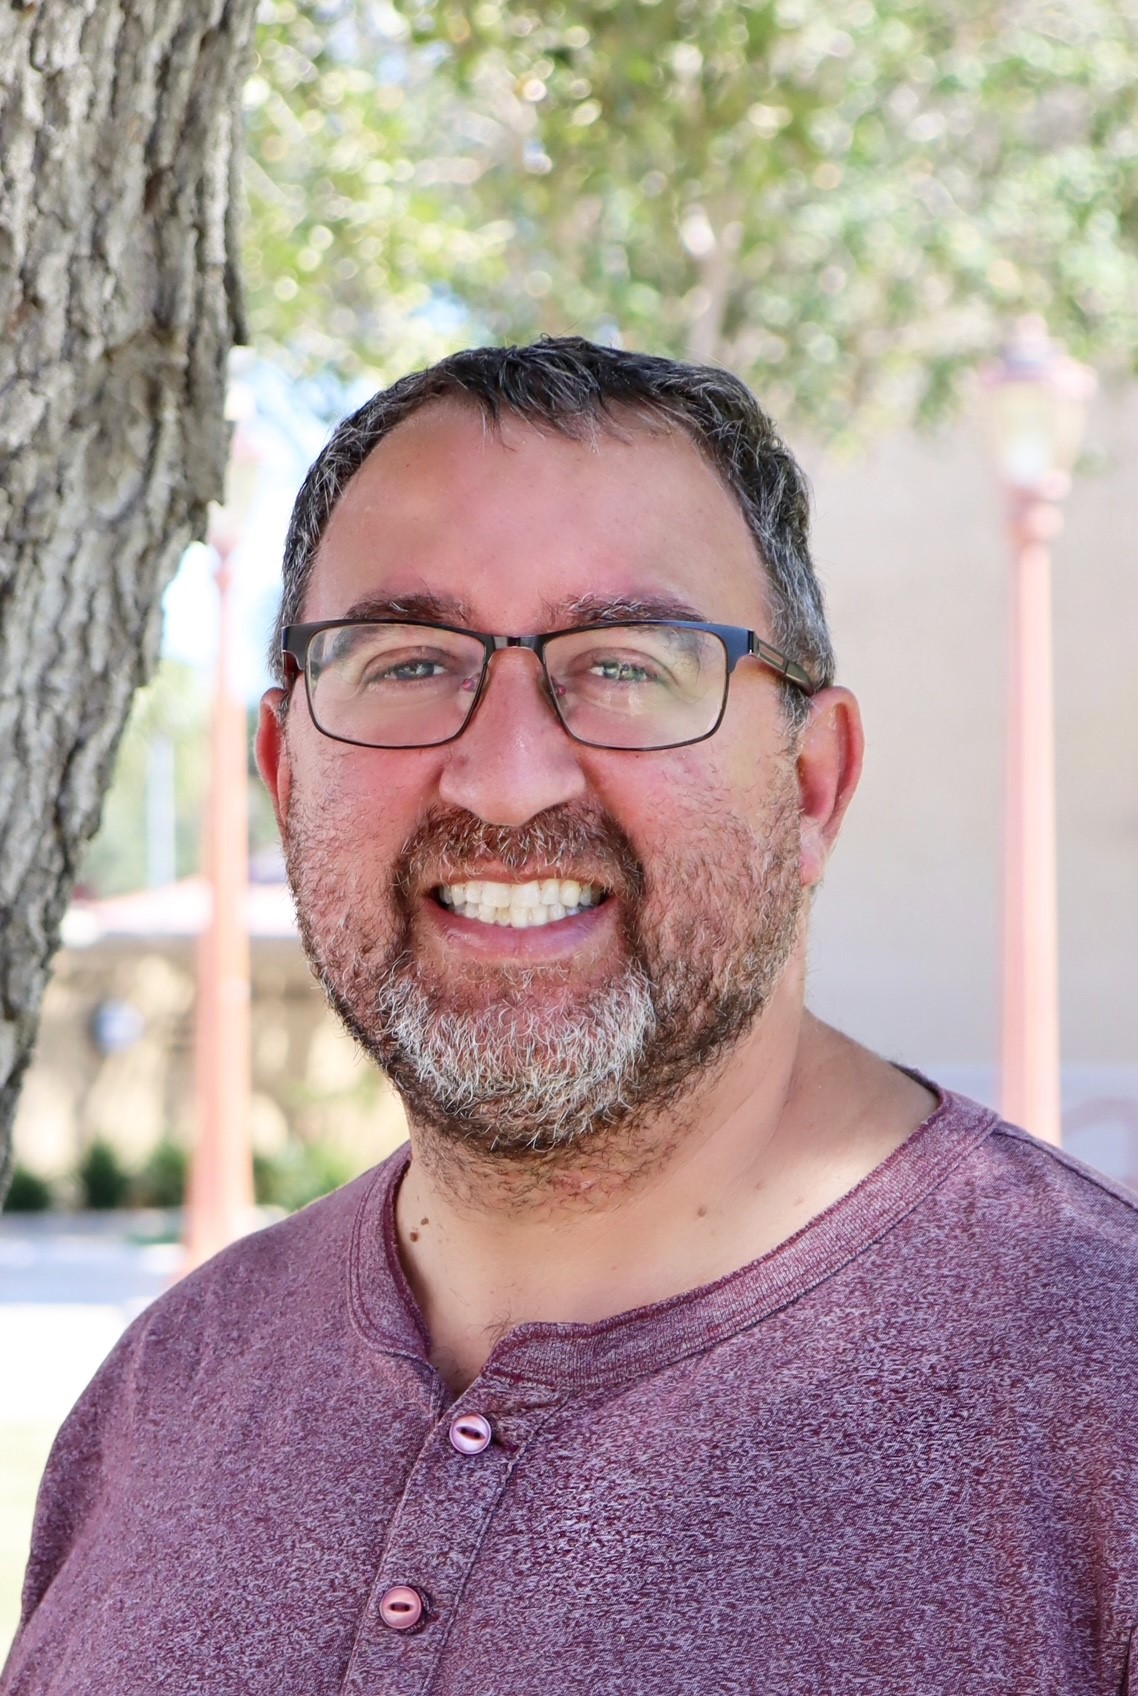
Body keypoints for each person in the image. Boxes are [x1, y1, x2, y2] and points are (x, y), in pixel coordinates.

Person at [4, 337, 1137, 1696]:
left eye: (626, 664)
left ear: (813, 785)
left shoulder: (1101, 1399)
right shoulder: (165, 1393)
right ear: (283, 775)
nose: (502, 778)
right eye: (406, 662)